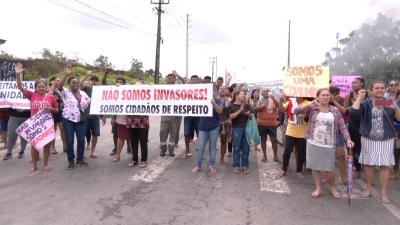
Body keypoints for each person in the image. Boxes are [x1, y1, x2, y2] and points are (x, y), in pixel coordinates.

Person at [296, 88, 353, 199]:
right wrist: (309, 104)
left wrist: (348, 139)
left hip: (329, 144)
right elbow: (296, 111)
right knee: (315, 167)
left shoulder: (335, 110)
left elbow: (342, 126)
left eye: (327, 95)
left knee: (329, 168)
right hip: (313, 142)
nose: (326, 97)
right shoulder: (312, 109)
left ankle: (332, 188)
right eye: (323, 95)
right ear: (317, 97)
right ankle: (318, 188)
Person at [350, 81, 400, 203]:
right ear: (371, 90)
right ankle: (368, 189)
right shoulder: (366, 103)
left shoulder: (389, 102)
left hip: (386, 139)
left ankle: (383, 193)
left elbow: (398, 119)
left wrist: (396, 108)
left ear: (385, 89)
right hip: (368, 138)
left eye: (382, 88)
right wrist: (359, 97)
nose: (379, 90)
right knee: (368, 164)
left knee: (384, 166)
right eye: (376, 88)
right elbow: (354, 113)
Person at [15, 63, 58, 172]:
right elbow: (20, 87)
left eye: (43, 86)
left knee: (47, 145)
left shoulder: (50, 97)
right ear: (36, 88)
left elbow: (57, 110)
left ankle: (46, 164)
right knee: (34, 146)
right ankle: (34, 165)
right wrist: (17, 75)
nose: (41, 88)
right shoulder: (31, 95)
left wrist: (51, 109)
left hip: (47, 124)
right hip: (35, 125)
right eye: (39, 87)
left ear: (46, 87)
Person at [58, 65, 91, 170]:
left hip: (81, 120)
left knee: (81, 140)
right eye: (73, 82)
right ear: (69, 84)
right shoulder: (66, 93)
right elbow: (59, 86)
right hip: (68, 120)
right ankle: (71, 161)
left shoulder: (83, 93)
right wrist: (66, 75)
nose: (76, 84)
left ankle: (80, 159)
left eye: (77, 82)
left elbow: (91, 103)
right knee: (70, 140)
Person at [277, 97, 310, 180]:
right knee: (287, 151)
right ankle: (284, 169)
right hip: (290, 131)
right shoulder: (291, 101)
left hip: (302, 133)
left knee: (301, 153)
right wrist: (280, 101)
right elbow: (281, 109)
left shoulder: (308, 103)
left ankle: (299, 171)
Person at [192, 95, 223, 173]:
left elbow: (220, 111)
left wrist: (214, 104)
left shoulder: (217, 100)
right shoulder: (200, 98)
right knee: (200, 147)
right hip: (203, 127)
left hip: (214, 128)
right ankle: (198, 166)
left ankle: (211, 166)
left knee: (212, 147)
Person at [344, 77, 367, 178]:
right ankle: (357, 168)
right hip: (352, 125)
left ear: (362, 83)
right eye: (352, 83)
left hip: (365, 124)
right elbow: (345, 110)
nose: (353, 85)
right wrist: (355, 105)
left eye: (356, 83)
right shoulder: (348, 96)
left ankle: (366, 169)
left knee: (365, 147)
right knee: (353, 147)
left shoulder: (368, 94)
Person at [80, 72, 106, 158]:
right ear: (90, 81)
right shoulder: (86, 89)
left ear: (98, 82)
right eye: (92, 80)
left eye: (96, 81)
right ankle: (82, 152)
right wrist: (87, 75)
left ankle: (93, 151)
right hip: (85, 116)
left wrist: (104, 116)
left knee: (95, 134)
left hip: (95, 117)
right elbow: (80, 84)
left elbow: (104, 104)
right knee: (82, 134)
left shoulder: (101, 91)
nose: (94, 82)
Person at [255, 88, 283, 163]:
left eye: (267, 91)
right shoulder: (260, 100)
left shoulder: (273, 99)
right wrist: (262, 106)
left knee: (274, 140)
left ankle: (275, 156)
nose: (266, 92)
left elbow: (280, 109)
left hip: (272, 124)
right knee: (263, 139)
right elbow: (256, 109)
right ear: (262, 93)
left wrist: (274, 99)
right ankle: (264, 155)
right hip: (262, 124)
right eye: (264, 91)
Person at [229, 90, 252, 174]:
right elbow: (231, 117)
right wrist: (240, 110)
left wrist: (248, 115)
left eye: (244, 94)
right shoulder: (231, 105)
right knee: (236, 147)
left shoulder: (246, 105)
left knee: (246, 148)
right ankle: (236, 165)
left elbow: (251, 117)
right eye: (242, 94)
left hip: (246, 128)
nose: (244, 95)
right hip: (237, 129)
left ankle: (245, 165)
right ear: (236, 95)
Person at [329, 86, 348, 185]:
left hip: (339, 130)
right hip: (326, 131)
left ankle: (344, 177)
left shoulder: (340, 100)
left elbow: (344, 111)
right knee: (327, 155)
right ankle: (325, 175)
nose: (337, 96)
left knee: (341, 155)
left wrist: (334, 101)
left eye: (335, 94)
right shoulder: (324, 101)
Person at [159, 73, 181, 157]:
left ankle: (171, 149)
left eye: (172, 78)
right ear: (166, 79)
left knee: (173, 134)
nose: (171, 79)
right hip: (165, 117)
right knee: (162, 133)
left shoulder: (179, 89)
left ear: (175, 80)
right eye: (169, 78)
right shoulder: (161, 88)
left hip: (175, 117)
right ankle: (163, 149)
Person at [183, 75, 201, 157]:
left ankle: (200, 148)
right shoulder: (186, 88)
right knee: (187, 133)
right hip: (188, 115)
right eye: (192, 79)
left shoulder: (202, 89)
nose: (194, 81)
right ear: (190, 81)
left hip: (199, 115)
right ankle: (187, 149)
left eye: (196, 80)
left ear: (198, 81)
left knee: (200, 133)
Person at [48, 76, 66, 154]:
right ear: (52, 82)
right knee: (53, 130)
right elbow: (48, 94)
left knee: (62, 128)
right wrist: (53, 86)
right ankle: (53, 147)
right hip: (52, 112)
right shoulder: (49, 90)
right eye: (56, 81)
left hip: (61, 111)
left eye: (59, 80)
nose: (58, 82)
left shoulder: (62, 89)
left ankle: (65, 146)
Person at [219, 85, 232, 164]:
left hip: (225, 123)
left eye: (224, 89)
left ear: (227, 91)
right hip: (215, 123)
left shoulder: (230, 100)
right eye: (221, 89)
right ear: (218, 90)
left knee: (223, 141)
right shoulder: (214, 99)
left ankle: (221, 158)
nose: (222, 90)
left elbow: (231, 112)